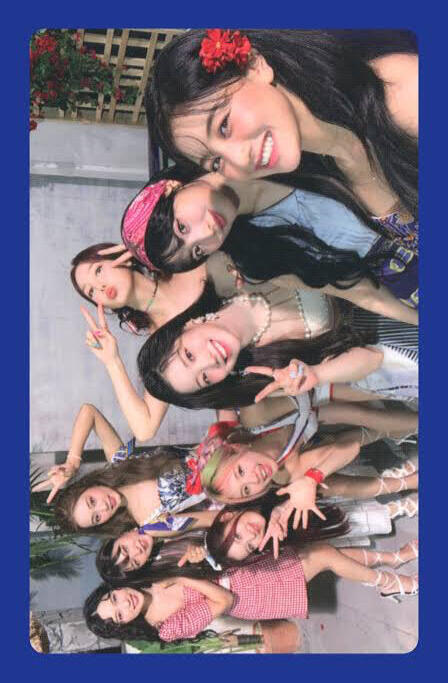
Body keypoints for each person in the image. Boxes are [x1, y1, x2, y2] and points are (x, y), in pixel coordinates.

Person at [145, 30, 418, 242]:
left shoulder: (405, 99)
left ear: (254, 66)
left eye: (224, 126)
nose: (239, 160)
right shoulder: (326, 165)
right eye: (216, 162)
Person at [119, 168, 418, 310]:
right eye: (198, 251)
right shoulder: (259, 258)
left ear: (171, 187)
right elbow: (366, 295)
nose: (207, 233)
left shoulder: (257, 150)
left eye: (182, 227)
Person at [136, 280, 418, 411]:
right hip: (397, 334)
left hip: (392, 274)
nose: (210, 362)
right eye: (205, 378)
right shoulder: (268, 373)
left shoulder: (223, 269)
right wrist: (317, 374)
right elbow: (373, 358)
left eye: (189, 355)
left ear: (186, 326)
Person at [84, 537, 418, 642]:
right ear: (125, 626)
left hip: (243, 568)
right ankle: (391, 583)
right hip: (252, 595)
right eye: (119, 614)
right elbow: (223, 601)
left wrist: (192, 557)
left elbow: (192, 553)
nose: (124, 603)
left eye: (113, 598)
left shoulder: (146, 576)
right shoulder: (166, 628)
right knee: (323, 556)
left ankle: (394, 558)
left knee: (321, 552)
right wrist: (183, 579)